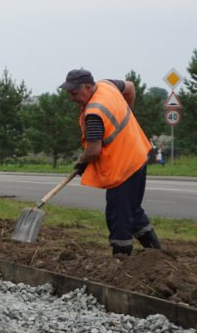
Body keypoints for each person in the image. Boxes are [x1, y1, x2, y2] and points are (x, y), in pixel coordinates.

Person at [60, 69, 162, 255]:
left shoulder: (94, 113)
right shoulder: (107, 85)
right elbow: (130, 87)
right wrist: (128, 113)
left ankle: (121, 259)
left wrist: (82, 162)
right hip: (138, 155)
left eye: (74, 93)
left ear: (88, 87)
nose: (72, 98)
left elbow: (93, 151)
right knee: (133, 210)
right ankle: (157, 255)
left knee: (118, 215)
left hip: (122, 168)